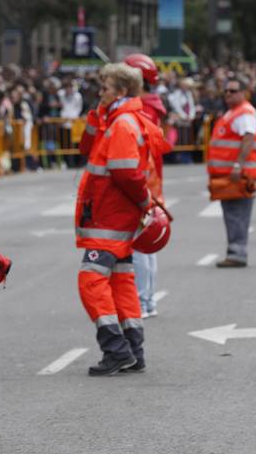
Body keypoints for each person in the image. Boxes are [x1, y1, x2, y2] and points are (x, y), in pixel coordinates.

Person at [76, 63, 153, 376]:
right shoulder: (115, 119)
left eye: (105, 87)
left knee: (91, 280)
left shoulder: (121, 123)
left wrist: (144, 201)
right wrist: (97, 113)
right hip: (114, 215)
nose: (100, 92)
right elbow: (86, 147)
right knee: (121, 282)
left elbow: (125, 173)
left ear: (121, 91)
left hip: (110, 216)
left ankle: (116, 349)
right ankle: (133, 350)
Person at [123, 54, 171, 319]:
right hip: (150, 180)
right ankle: (147, 299)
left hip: (142, 181)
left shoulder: (142, 108)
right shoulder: (149, 106)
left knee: (139, 244)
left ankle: (143, 301)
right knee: (145, 243)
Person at [208, 79, 256, 268]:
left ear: (244, 93)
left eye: (233, 90)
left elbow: (248, 138)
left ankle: (237, 252)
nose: (228, 94)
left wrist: (238, 166)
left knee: (237, 213)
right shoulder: (233, 112)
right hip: (229, 174)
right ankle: (235, 251)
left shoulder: (244, 113)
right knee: (232, 213)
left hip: (239, 174)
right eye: (226, 91)